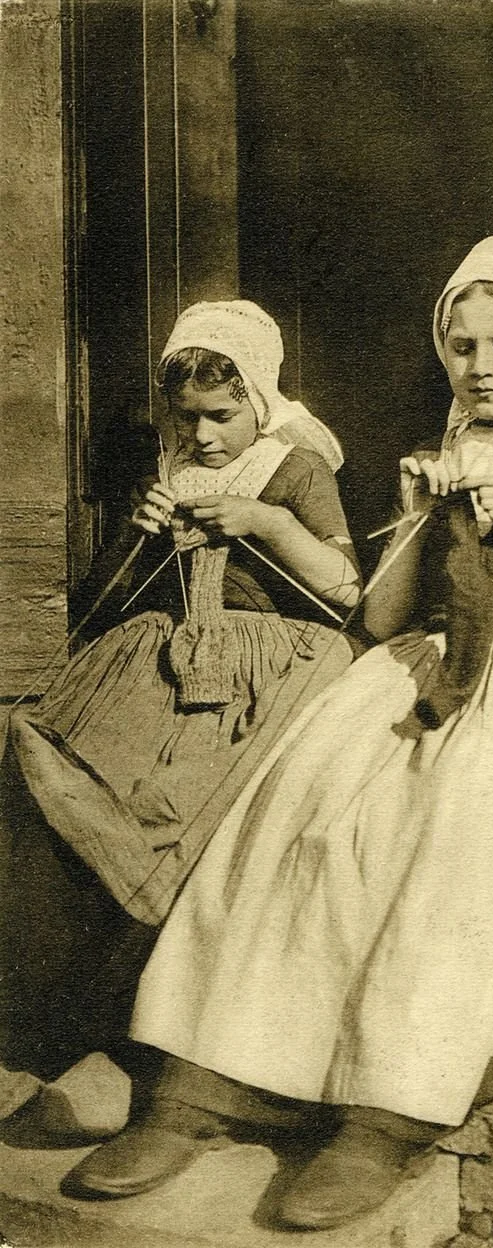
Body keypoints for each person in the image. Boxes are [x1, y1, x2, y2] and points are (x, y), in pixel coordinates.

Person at [69, 238, 493, 1229]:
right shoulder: (432, 448)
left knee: (453, 829)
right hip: (419, 659)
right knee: (300, 808)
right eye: (461, 345)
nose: (481, 367)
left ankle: (385, 1114)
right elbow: (379, 620)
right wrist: (415, 522)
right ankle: (199, 1089)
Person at [0, 299, 360, 1090]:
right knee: (75, 792)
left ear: (258, 400)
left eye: (222, 416)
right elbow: (96, 611)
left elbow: (346, 590)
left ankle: (143, 1049)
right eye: (187, 417)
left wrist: (265, 523)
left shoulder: (295, 469)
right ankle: (59, 1036)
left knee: (179, 817)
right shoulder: (166, 475)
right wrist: (138, 530)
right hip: (156, 657)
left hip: (264, 668)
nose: (203, 436)